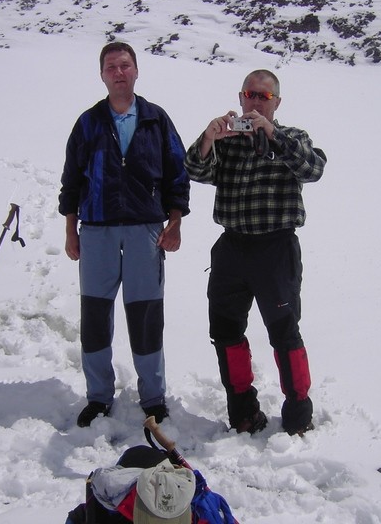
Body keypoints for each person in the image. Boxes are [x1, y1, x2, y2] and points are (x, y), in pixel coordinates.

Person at [184, 69, 326, 435]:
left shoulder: (292, 138)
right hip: (232, 248)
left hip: (276, 249)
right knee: (226, 330)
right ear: (240, 97)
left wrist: (271, 133)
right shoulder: (228, 140)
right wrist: (208, 137)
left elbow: (313, 168)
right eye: (250, 94)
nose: (255, 101)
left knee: (284, 332)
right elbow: (194, 169)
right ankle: (243, 411)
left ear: (276, 102)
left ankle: (298, 415)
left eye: (264, 96)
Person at [59, 42, 190, 428]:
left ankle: (153, 396)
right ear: (102, 74)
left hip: (145, 231)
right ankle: (99, 396)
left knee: (146, 315)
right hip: (97, 230)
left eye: (125, 65)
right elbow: (70, 181)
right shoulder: (88, 122)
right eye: (111, 67)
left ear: (136, 71)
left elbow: (176, 175)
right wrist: (71, 229)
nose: (119, 72)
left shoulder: (155, 119)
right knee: (95, 316)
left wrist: (176, 221)